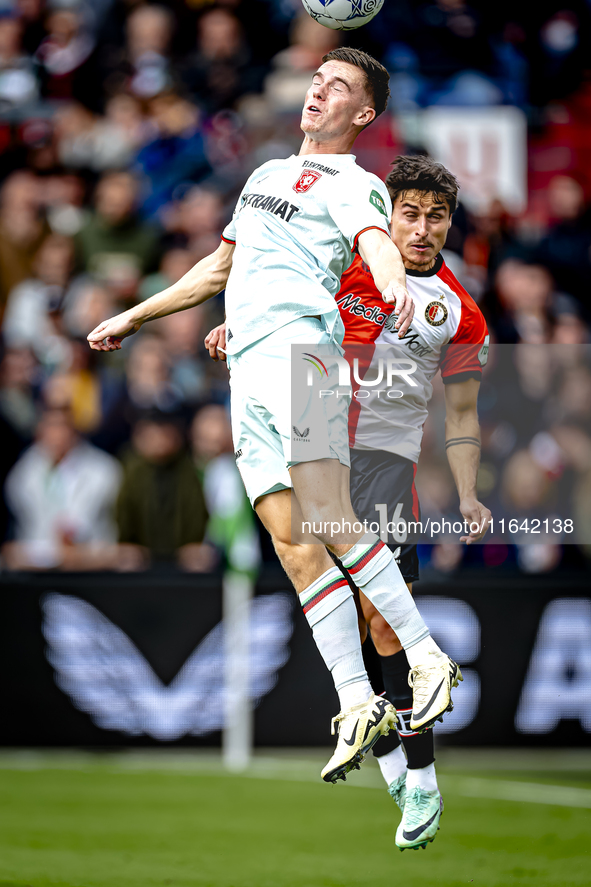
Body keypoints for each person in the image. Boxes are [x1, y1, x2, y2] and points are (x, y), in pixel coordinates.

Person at [88, 48, 461, 785]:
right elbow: (219, 270)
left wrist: (398, 291)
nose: (319, 91)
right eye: (316, 79)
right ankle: (357, 699)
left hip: (303, 355)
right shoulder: (262, 176)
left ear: (363, 113)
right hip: (249, 368)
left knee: (327, 512)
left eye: (339, 87)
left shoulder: (352, 183)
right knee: (294, 544)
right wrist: (135, 314)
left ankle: (424, 656)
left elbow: (376, 248)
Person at [205, 154, 491, 846]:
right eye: (410, 213)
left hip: (383, 466)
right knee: (336, 608)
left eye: (436, 215)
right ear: (386, 215)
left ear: (449, 223)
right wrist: (239, 331)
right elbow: (279, 303)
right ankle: (392, 761)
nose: (421, 229)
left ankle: (419, 781)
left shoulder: (460, 313)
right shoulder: (342, 264)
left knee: (385, 625)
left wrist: (468, 491)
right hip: (313, 438)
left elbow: (461, 414)